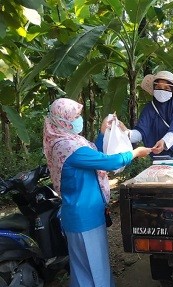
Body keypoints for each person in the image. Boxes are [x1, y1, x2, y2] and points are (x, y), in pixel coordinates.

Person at [43, 98, 151, 287]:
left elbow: (95, 155)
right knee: (95, 269)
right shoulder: (68, 147)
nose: (79, 119)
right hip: (84, 217)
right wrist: (136, 153)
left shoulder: (68, 141)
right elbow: (109, 162)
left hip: (81, 214)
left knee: (83, 269)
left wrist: (102, 133)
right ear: (63, 120)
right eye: (75, 116)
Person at [122, 70, 173, 158]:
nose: (162, 90)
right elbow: (140, 132)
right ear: (154, 88)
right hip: (159, 157)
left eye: (166, 88)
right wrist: (124, 133)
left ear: (172, 90)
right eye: (158, 87)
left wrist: (164, 142)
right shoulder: (149, 108)